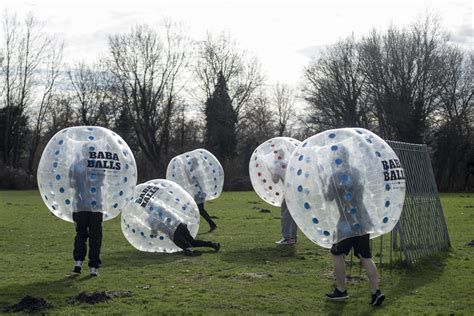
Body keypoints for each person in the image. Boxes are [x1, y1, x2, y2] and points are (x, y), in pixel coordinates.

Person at [323, 145, 385, 306]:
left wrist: (324, 182)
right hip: (362, 219)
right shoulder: (357, 172)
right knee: (365, 256)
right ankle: (375, 292)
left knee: (337, 254)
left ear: (335, 158)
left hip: (346, 222)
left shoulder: (335, 175)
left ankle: (341, 290)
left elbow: (329, 197)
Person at [69, 144, 105, 277]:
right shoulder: (99, 165)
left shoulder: (76, 165)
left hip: (80, 204)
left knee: (81, 234)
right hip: (96, 206)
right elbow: (101, 182)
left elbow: (70, 183)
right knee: (95, 237)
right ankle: (93, 268)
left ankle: (78, 263)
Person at [147, 202, 220, 256]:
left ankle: (190, 251)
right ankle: (213, 244)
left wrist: (154, 232)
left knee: (187, 246)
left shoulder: (150, 219)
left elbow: (154, 233)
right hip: (181, 225)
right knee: (192, 242)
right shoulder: (162, 208)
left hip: (173, 232)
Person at [271, 149, 298, 245]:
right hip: (296, 190)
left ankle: (286, 238)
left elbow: (275, 180)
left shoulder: (277, 165)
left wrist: (271, 172)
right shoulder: (289, 163)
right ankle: (293, 237)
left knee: (286, 214)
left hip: (289, 191)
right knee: (293, 214)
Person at [186, 157, 217, 232]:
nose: (190, 165)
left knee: (200, 210)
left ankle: (212, 225)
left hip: (199, 193)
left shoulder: (197, 171)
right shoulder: (196, 171)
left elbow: (191, 181)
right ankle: (212, 225)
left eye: (191, 163)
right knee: (198, 210)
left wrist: (186, 171)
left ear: (194, 163)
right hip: (198, 193)